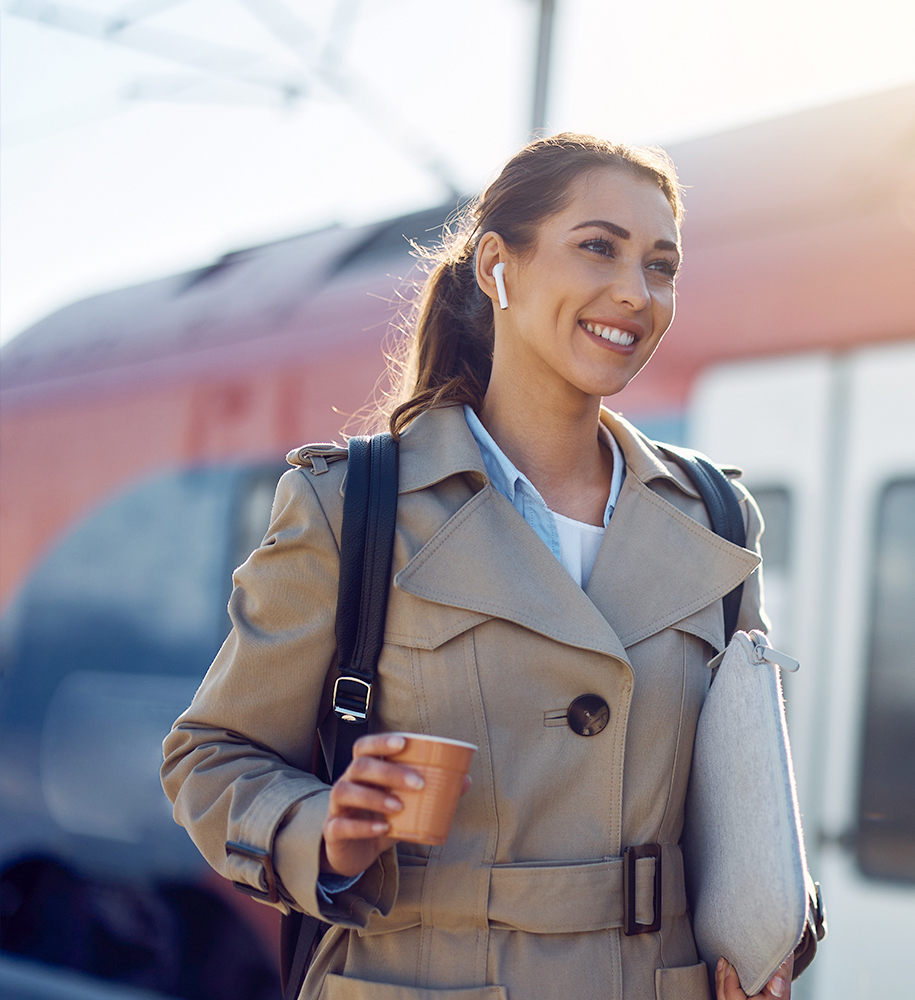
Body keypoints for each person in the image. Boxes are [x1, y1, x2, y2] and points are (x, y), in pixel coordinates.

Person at [163, 133, 798, 1000]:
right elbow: (211, 755)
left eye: (662, 266)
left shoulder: (717, 519)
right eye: (598, 247)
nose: (635, 292)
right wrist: (325, 829)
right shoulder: (355, 505)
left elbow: (742, 796)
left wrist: (756, 947)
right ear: (498, 265)